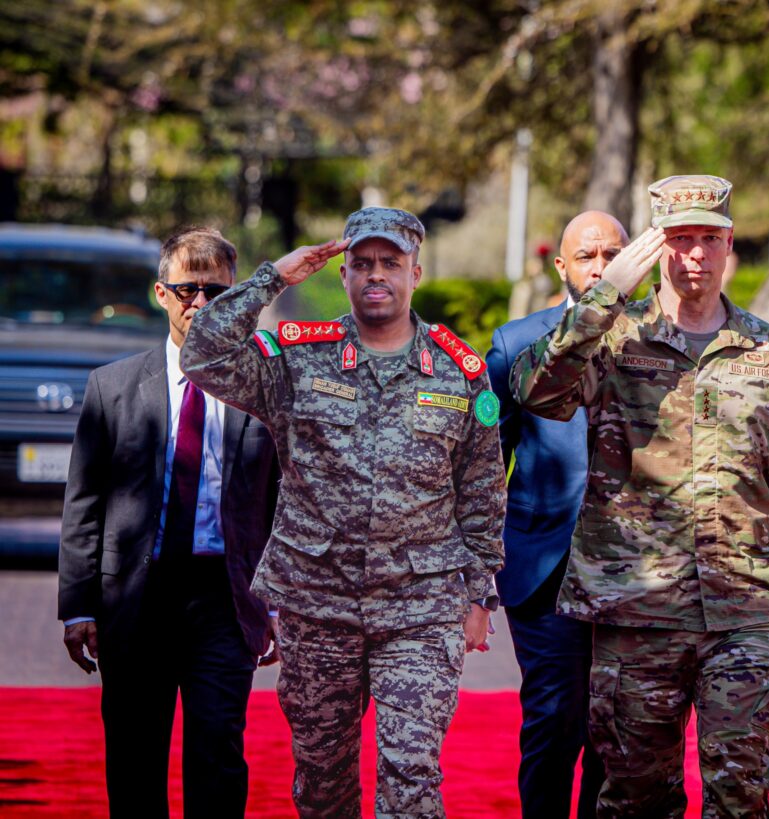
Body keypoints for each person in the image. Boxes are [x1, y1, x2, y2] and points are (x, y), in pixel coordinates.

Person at [511, 175, 769, 817]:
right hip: (637, 611)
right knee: (635, 796)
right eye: (680, 239)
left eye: (707, 239)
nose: (694, 254)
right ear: (659, 248)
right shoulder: (614, 335)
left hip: (748, 607)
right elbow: (539, 391)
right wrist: (605, 295)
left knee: (739, 793)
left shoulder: (768, 351)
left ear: (728, 245)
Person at [180, 207, 506, 817]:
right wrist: (271, 279)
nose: (374, 276)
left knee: (411, 777)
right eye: (361, 265)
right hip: (317, 603)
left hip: (421, 607)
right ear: (346, 273)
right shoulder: (297, 358)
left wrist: (479, 594)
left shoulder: (462, 374)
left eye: (389, 264)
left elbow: (482, 492)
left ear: (416, 272)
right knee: (323, 781)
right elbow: (200, 355)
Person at [58, 226, 281, 818]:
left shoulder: (266, 389)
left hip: (225, 599)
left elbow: (284, 503)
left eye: (218, 292)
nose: (201, 303)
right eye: (188, 290)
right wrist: (79, 606)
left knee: (217, 756)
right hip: (135, 595)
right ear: (162, 293)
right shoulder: (112, 388)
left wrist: (279, 604)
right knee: (134, 756)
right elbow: (85, 501)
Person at [486, 211, 625, 818]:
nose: (599, 267)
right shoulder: (516, 343)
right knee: (555, 715)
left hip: (636, 570)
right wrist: (476, 572)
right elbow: (484, 464)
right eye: (587, 255)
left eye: (611, 254)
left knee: (618, 730)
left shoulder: (658, 340)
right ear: (561, 266)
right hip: (544, 565)